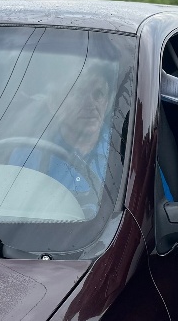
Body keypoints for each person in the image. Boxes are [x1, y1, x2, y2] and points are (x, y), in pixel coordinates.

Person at [8, 64, 113, 216]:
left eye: (98, 94)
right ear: (53, 103)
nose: (91, 104)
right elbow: (11, 217)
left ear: (107, 103)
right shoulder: (27, 156)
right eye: (79, 93)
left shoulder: (125, 153)